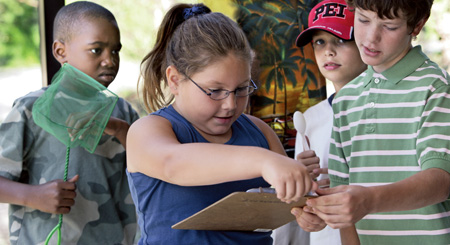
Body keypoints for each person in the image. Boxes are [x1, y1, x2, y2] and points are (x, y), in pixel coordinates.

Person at [126, 3, 317, 244]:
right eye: (215, 90)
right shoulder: (148, 130)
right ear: (174, 80)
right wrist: (266, 161)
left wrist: (304, 201)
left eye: (241, 89)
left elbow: (288, 208)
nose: (230, 104)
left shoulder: (259, 131)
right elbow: (173, 163)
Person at [294, 0, 450, 244]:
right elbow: (342, 194)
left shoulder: (436, 88)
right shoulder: (346, 99)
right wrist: (322, 211)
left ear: (417, 25)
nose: (370, 38)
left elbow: (441, 180)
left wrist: (369, 200)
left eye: (389, 27)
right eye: (363, 20)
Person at [0, 1, 139, 244]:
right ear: (60, 52)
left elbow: (153, 164)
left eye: (115, 50)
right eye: (97, 50)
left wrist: (120, 129)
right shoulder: (30, 109)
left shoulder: (123, 112)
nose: (110, 60)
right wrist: (32, 196)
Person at [272, 0, 367, 244]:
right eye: (320, 42)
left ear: (367, 42)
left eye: (341, 39)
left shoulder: (386, 107)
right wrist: (304, 190)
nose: (328, 51)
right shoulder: (309, 119)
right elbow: (305, 209)